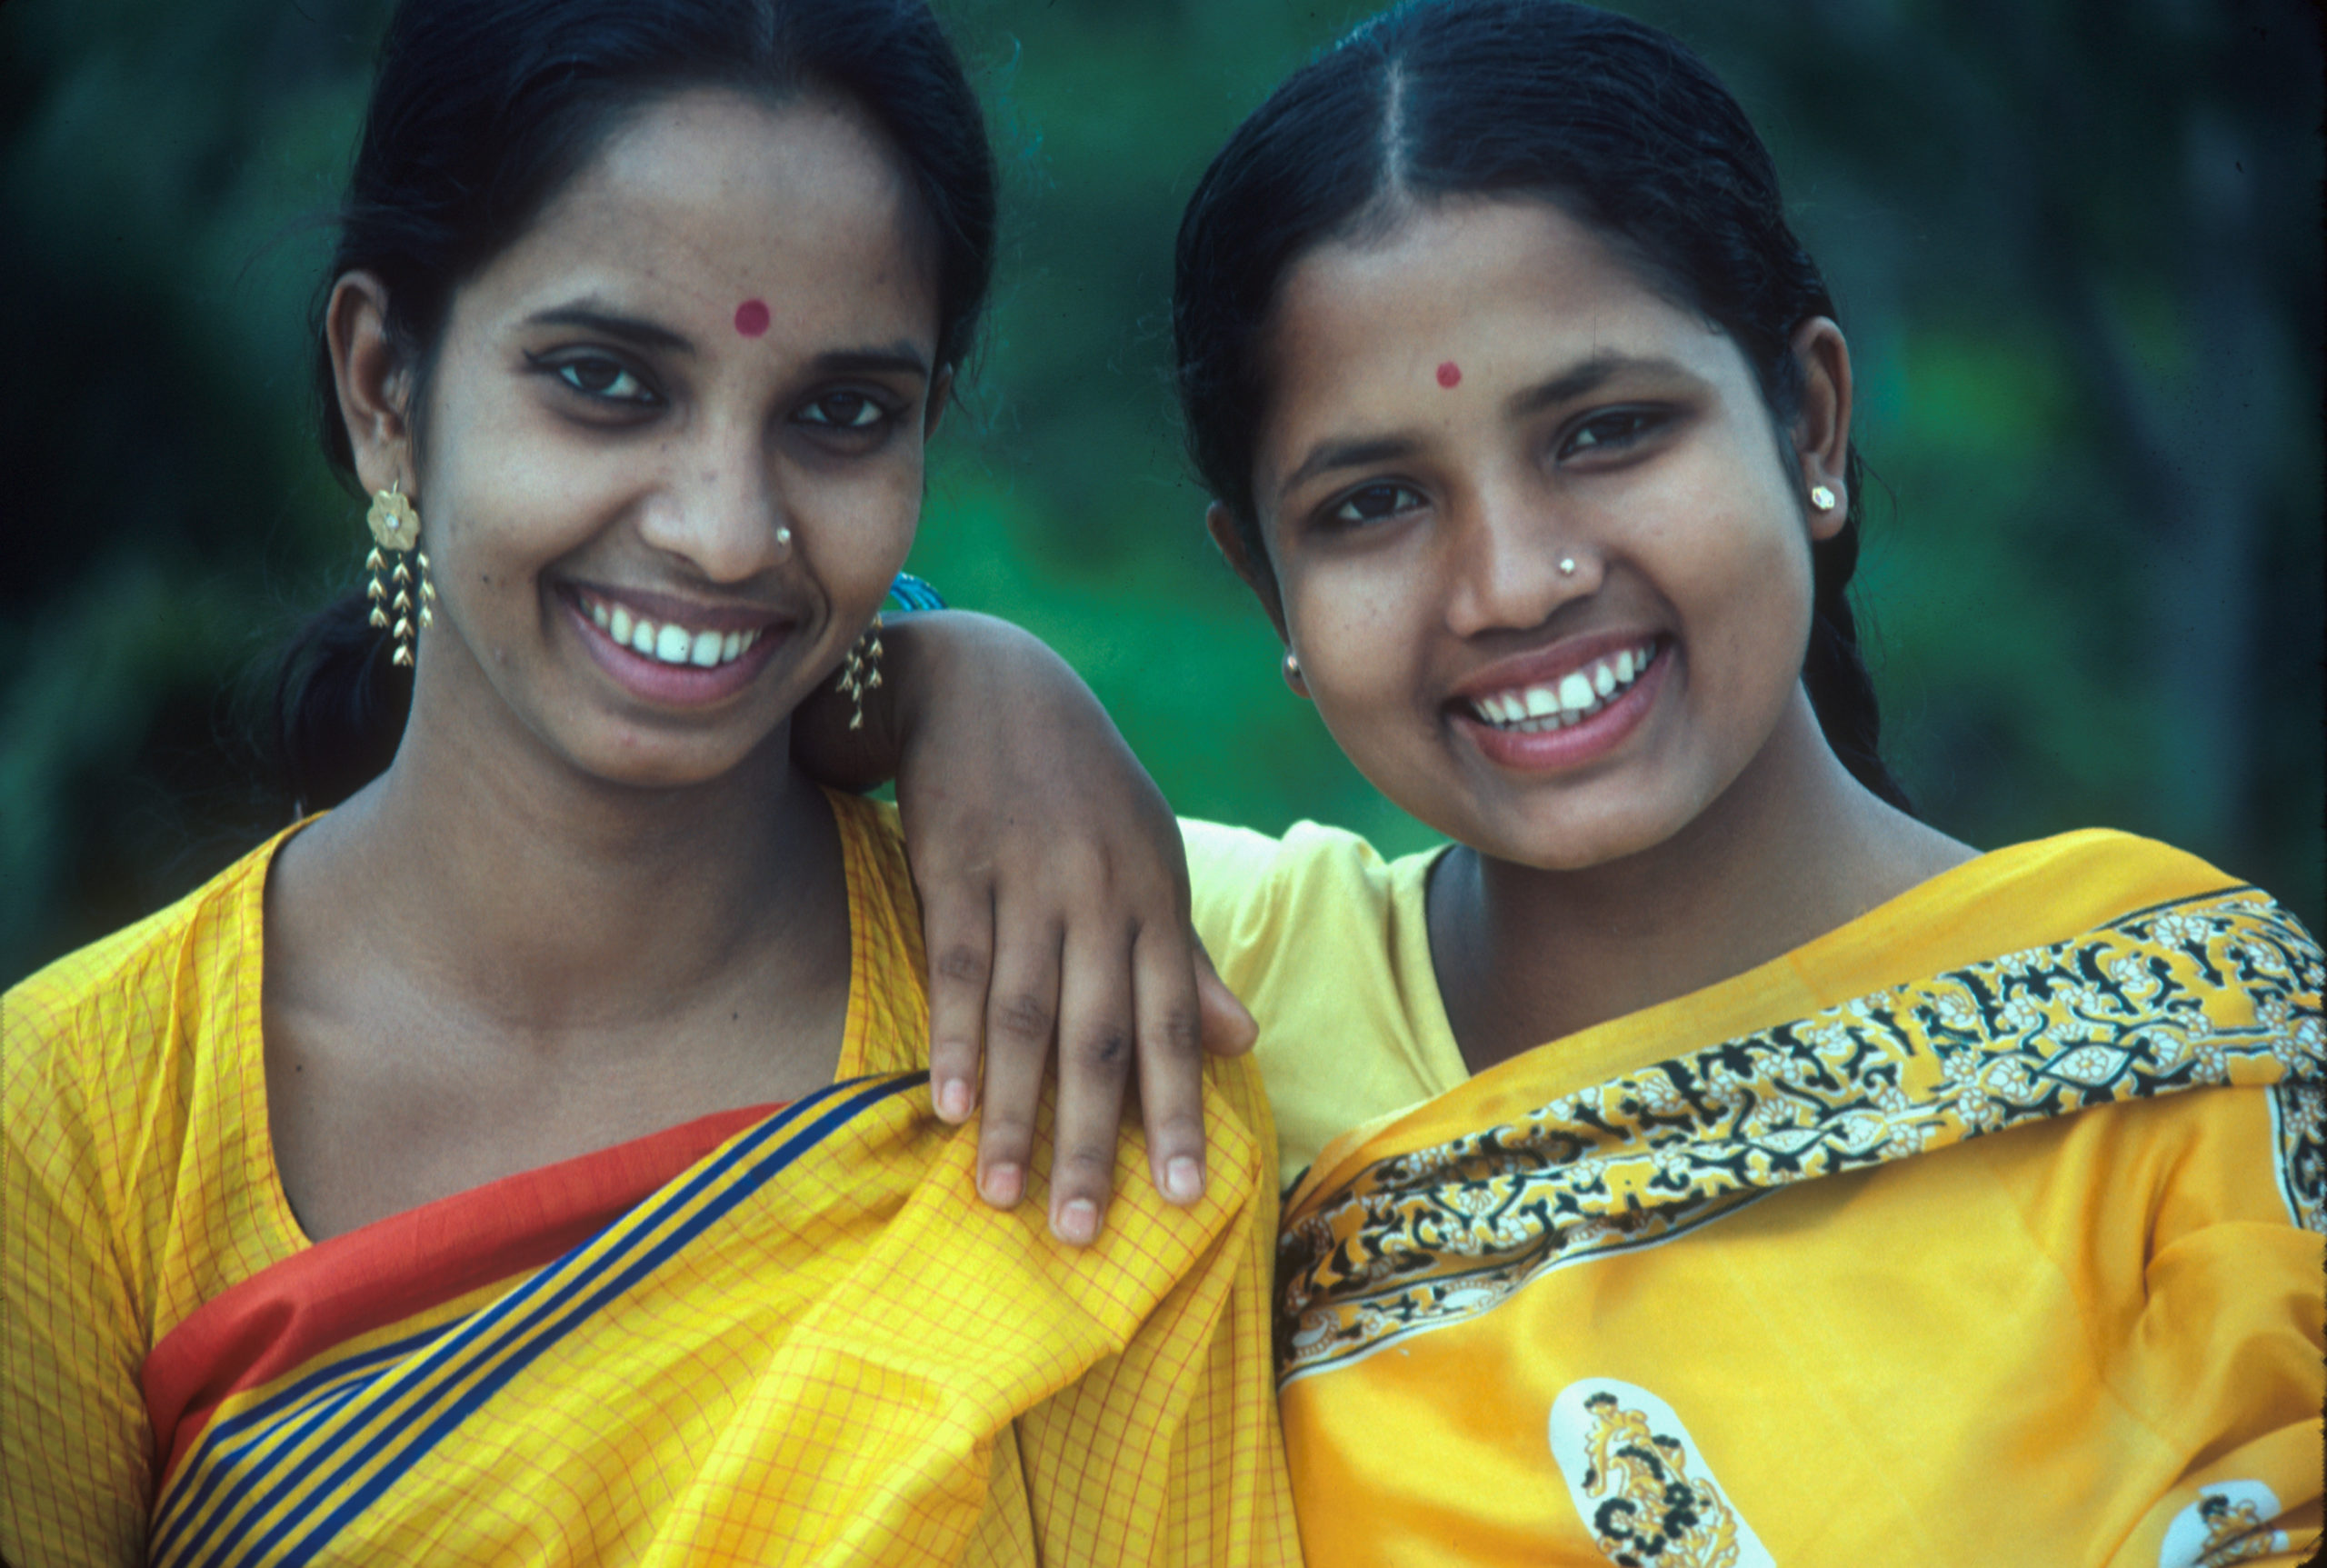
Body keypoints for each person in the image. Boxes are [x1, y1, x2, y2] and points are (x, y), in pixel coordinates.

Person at [0, 2, 1297, 1563]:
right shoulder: (65, 1123)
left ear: (926, 438)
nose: (725, 528)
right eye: (608, 380)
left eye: (842, 413)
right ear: (383, 392)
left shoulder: (1084, 1077)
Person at [1149, 2, 2323, 1563]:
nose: (1512, 581)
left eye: (1609, 430)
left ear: (1810, 417)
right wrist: (953, 687)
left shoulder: (2185, 1059)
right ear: (1264, 583)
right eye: (1373, 504)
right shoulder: (1187, 983)